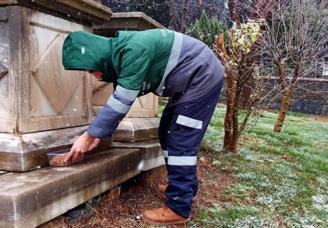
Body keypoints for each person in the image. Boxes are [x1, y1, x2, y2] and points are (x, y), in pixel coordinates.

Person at [61, 28, 224, 225]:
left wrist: (88, 136)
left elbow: (122, 100)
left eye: (90, 69)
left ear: (97, 56)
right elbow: (119, 105)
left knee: (180, 139)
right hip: (194, 78)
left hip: (202, 77)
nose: (95, 76)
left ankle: (179, 207)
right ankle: (184, 189)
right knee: (166, 131)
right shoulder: (122, 53)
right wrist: (97, 134)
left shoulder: (132, 50)